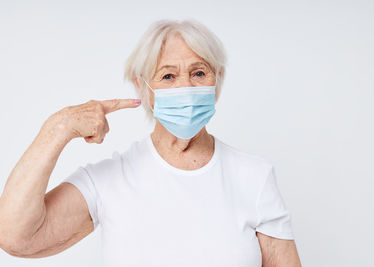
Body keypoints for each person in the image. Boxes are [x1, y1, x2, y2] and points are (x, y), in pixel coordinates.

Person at [0, 19, 302, 266]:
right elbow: (15, 236)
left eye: (199, 73)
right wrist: (58, 127)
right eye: (168, 76)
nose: (185, 87)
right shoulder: (109, 179)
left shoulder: (254, 177)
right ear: (142, 86)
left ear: (217, 80)